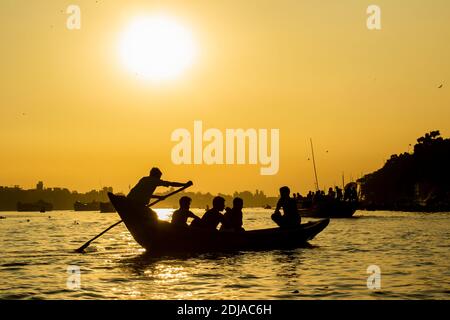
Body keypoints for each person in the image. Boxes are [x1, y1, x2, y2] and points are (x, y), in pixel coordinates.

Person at [127, 167, 191, 221]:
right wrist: (184, 184)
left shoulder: (144, 179)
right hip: (136, 204)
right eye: (159, 177)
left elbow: (145, 194)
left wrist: (158, 197)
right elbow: (171, 183)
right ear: (155, 175)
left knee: (152, 215)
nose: (160, 179)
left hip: (131, 201)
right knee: (153, 216)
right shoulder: (154, 180)